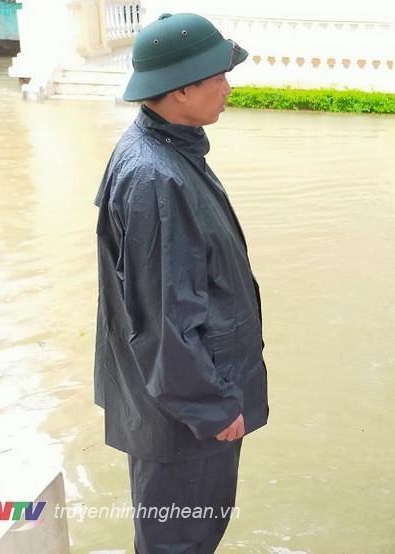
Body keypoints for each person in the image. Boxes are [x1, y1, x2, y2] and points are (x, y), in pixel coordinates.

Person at [93, 13, 268, 552]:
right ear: (181, 89)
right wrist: (211, 408)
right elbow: (163, 318)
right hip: (184, 416)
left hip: (175, 405)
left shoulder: (169, 150)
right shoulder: (156, 177)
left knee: (185, 534)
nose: (228, 88)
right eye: (217, 77)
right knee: (179, 540)